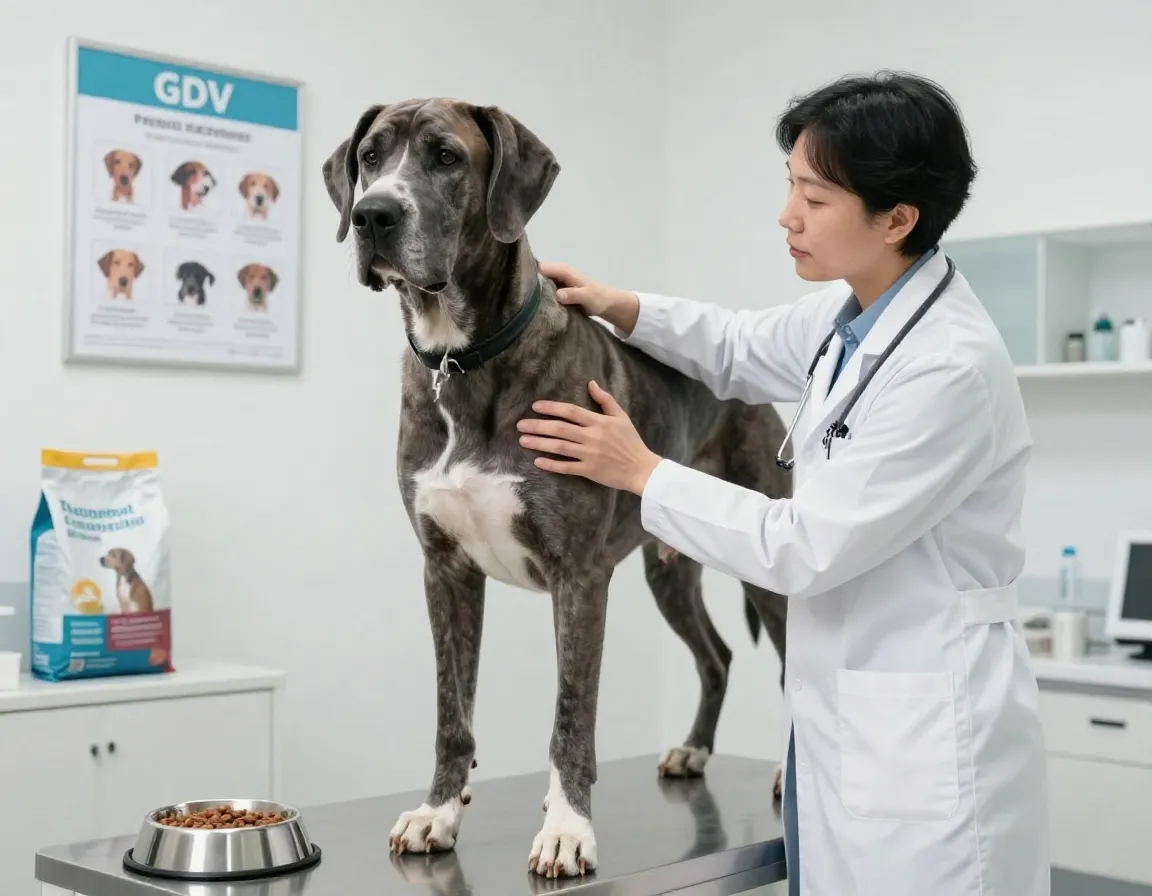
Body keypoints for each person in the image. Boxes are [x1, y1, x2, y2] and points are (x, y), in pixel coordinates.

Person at [515, 71, 1050, 896]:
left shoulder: (948, 367)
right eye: (789, 186)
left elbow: (802, 548)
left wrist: (641, 471)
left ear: (897, 218)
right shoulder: (854, 314)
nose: (786, 215)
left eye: (814, 195)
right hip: (847, 728)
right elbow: (734, 344)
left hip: (926, 750)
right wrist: (621, 306)